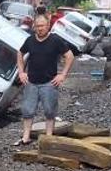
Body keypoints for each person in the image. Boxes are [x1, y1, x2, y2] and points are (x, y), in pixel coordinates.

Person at [15, 16, 75, 145]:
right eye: (37, 26)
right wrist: (21, 72)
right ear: (34, 27)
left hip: (49, 82)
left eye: (42, 26)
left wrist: (63, 74)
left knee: (49, 111)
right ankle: (26, 137)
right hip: (31, 82)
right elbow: (20, 53)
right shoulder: (30, 40)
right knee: (27, 110)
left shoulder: (56, 40)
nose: (40, 28)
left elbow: (69, 56)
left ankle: (48, 137)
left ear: (48, 26)